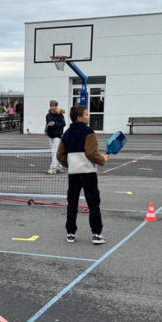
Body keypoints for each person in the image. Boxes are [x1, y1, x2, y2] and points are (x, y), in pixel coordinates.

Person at [57, 105, 109, 245]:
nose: (89, 116)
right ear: (79, 118)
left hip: (73, 174)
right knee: (93, 203)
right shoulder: (89, 132)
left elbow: (60, 155)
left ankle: (70, 233)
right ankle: (97, 234)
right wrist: (102, 159)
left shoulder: (67, 133)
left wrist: (71, 164)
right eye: (87, 114)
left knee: (72, 203)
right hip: (88, 174)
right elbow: (91, 153)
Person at [45, 100, 66, 174]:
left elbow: (63, 124)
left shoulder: (60, 115)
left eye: (54, 106)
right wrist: (46, 131)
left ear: (56, 107)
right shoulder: (48, 115)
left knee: (54, 152)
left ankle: (53, 168)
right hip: (50, 135)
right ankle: (59, 167)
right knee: (54, 152)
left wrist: (55, 123)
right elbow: (47, 124)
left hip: (57, 135)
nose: (53, 107)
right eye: (52, 106)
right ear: (50, 106)